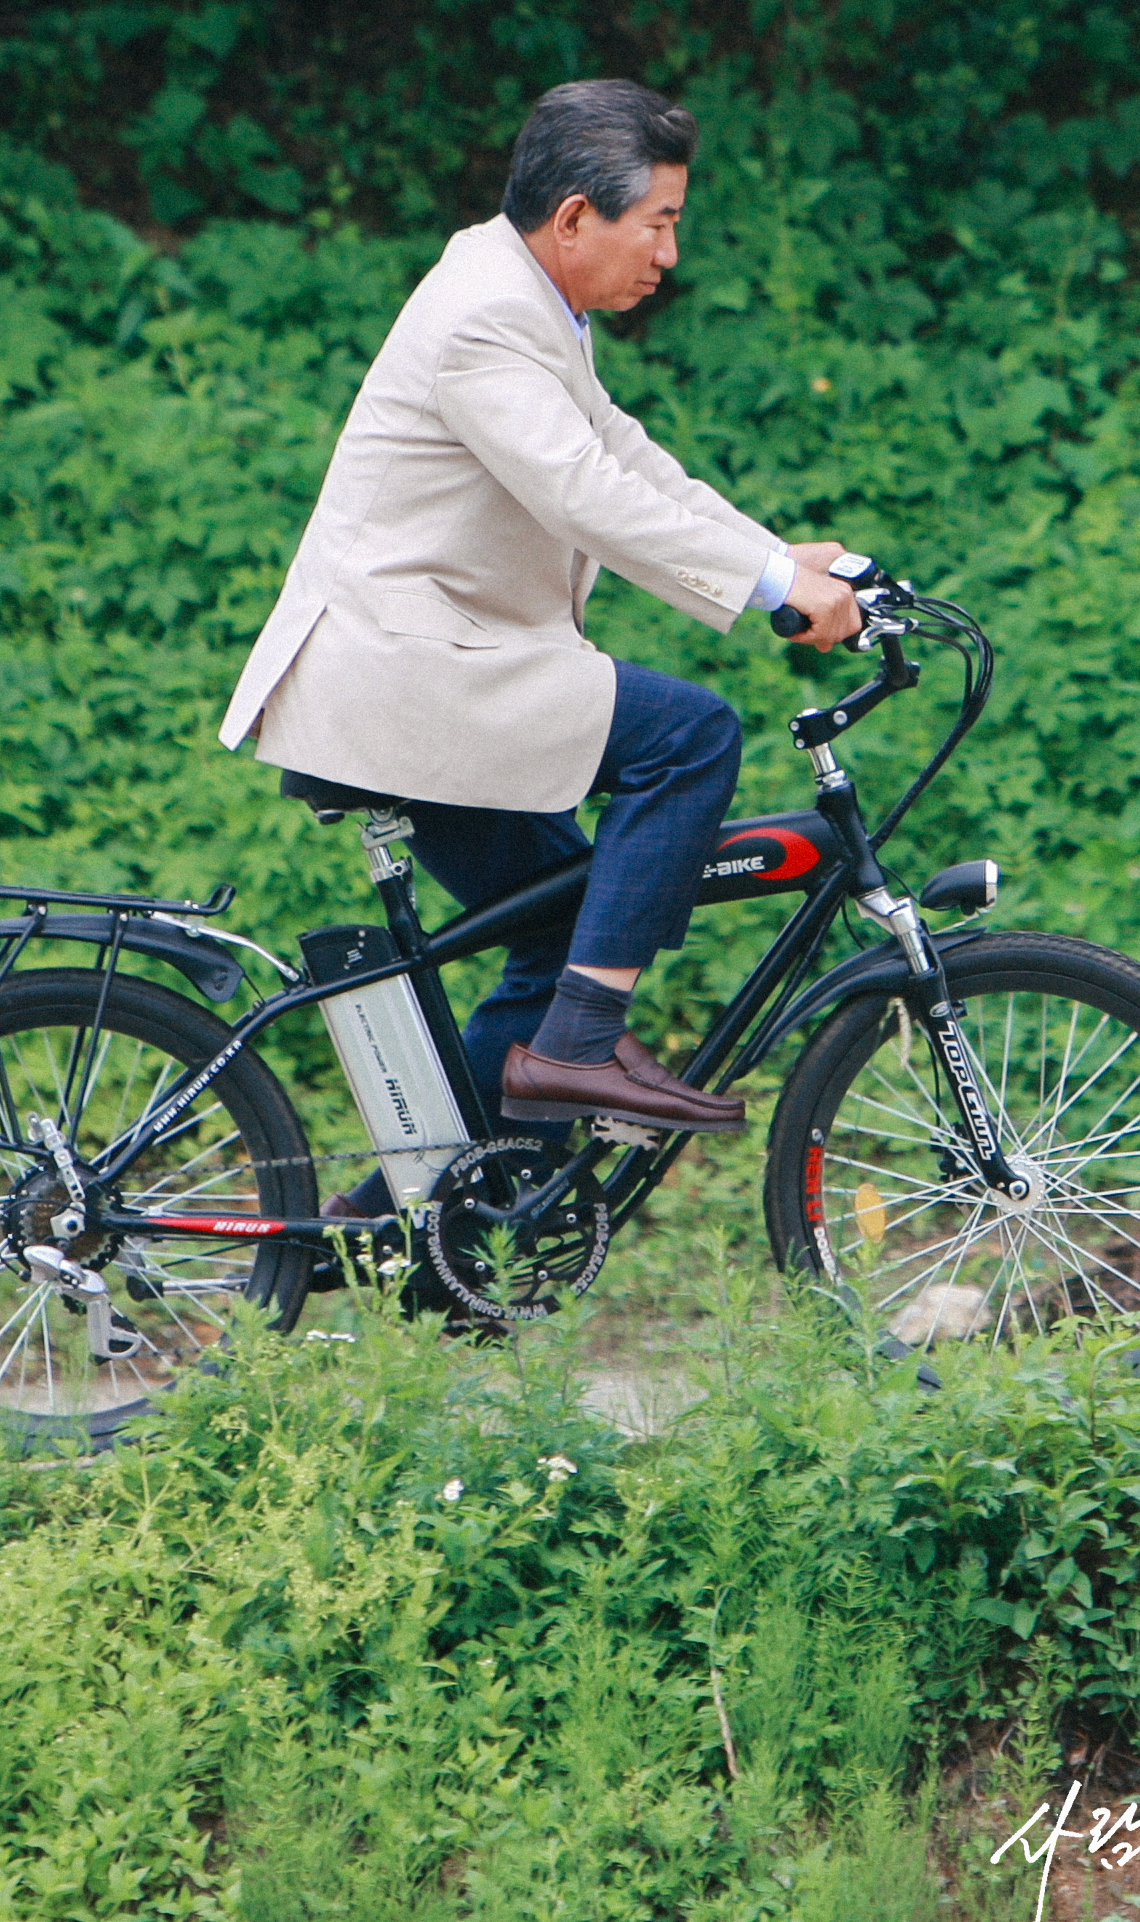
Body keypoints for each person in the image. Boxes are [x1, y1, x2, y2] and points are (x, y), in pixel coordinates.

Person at [215, 78, 863, 1208]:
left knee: (564, 924)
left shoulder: (524, 296)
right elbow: (580, 494)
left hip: (427, 674)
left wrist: (782, 559)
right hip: (404, 676)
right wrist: (767, 587)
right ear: (575, 218)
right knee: (692, 738)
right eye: (657, 221)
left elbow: (623, 457)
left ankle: (400, 1230)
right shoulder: (483, 316)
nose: (669, 251)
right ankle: (577, 1051)